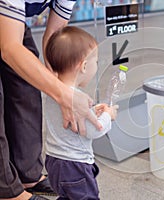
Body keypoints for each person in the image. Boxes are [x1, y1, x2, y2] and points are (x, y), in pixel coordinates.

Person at [0, 1, 102, 200]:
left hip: (11, 20)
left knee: (26, 88)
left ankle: (27, 173)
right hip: (8, 24)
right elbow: (9, 48)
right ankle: (5, 190)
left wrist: (61, 86)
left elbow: (56, 35)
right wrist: (63, 95)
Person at [44, 26, 118, 200]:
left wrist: (92, 111)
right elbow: (94, 130)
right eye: (96, 62)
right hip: (74, 165)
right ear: (84, 66)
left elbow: (72, 121)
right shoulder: (78, 97)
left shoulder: (54, 92)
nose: (96, 66)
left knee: (66, 196)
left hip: (53, 161)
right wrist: (108, 115)